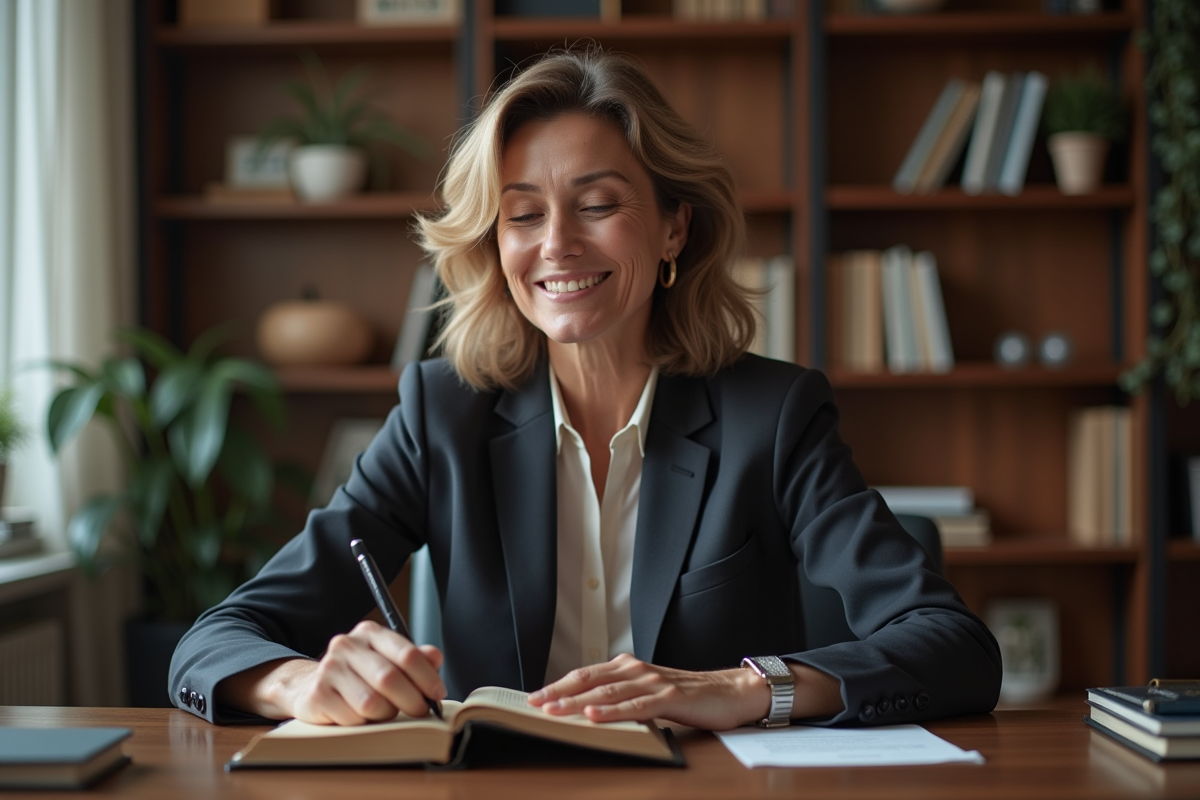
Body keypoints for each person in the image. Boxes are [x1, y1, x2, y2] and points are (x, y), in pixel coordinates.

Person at [169, 48, 1001, 730]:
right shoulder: (442, 415)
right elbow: (214, 641)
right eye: (524, 214)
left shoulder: (773, 417)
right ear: (495, 244)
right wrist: (297, 684)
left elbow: (953, 645)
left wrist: (745, 688)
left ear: (674, 226)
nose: (557, 244)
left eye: (598, 204)